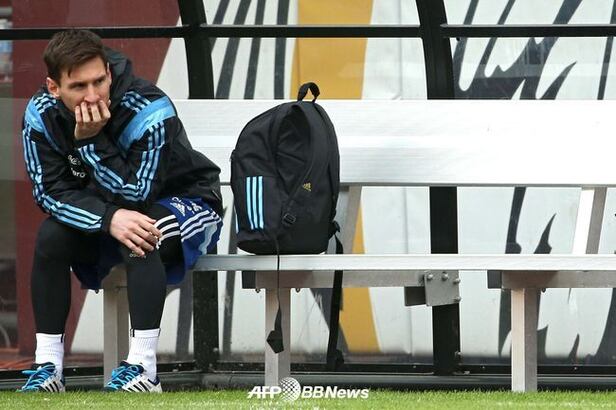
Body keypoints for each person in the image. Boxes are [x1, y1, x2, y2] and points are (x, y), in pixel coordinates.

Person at [18, 29, 223, 393]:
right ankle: (48, 367)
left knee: (142, 231)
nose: (93, 95)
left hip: (186, 201)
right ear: (54, 87)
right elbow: (49, 193)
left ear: (109, 73)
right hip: (110, 213)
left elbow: (139, 194)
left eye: (99, 81)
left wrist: (91, 142)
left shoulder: (150, 108)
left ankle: (144, 368)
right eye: (78, 86)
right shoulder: (40, 114)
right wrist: (107, 218)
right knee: (50, 235)